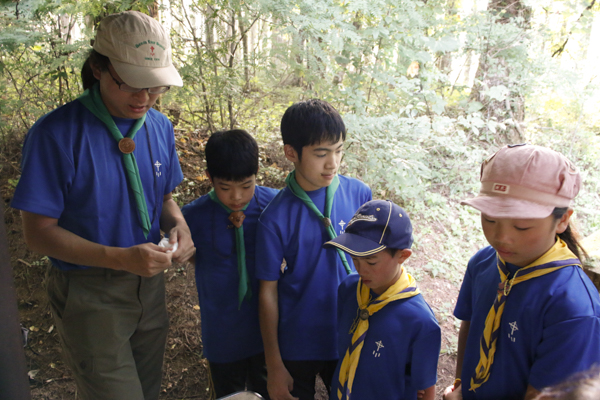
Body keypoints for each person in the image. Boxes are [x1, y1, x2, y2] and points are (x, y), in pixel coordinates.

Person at [11, 11, 195, 400]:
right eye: (130, 84)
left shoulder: (159, 127)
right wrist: (119, 258)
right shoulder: (56, 134)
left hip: (149, 289)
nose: (144, 98)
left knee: (146, 392)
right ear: (98, 68)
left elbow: (164, 198)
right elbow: (38, 233)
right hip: (89, 293)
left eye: (155, 87)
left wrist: (179, 225)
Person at [443, 144, 600, 400]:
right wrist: (460, 385)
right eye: (490, 219)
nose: (501, 237)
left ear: (562, 220)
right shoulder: (484, 263)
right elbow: (469, 326)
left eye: (522, 226)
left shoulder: (574, 307)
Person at [255, 99, 372, 400]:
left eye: (338, 150)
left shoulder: (359, 194)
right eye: (321, 154)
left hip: (350, 333)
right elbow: (267, 291)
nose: (332, 163)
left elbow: (376, 261)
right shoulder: (275, 218)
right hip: (299, 342)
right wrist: (274, 365)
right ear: (291, 152)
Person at [181, 129, 279, 398]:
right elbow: (189, 254)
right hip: (222, 331)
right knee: (229, 393)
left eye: (246, 186)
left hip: (267, 330)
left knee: (270, 389)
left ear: (256, 172)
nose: (237, 197)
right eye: (225, 188)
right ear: (210, 177)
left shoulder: (275, 207)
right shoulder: (192, 217)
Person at [324, 199, 441, 400]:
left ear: (402, 255)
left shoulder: (419, 322)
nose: (361, 269)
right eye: (355, 259)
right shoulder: (350, 289)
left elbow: (425, 389)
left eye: (371, 261)